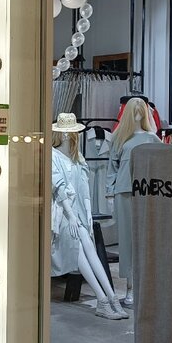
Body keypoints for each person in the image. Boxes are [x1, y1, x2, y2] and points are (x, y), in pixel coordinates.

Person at [52, 113, 127, 319]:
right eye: (72, 133)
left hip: (77, 213)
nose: (75, 136)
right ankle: (102, 299)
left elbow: (84, 190)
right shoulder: (53, 156)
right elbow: (59, 189)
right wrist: (71, 216)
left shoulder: (77, 158)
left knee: (89, 247)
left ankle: (110, 297)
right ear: (65, 135)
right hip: (62, 214)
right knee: (78, 248)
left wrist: (85, 216)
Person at [105, 97, 160, 307]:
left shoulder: (152, 138)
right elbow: (112, 168)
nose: (137, 115)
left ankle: (147, 287)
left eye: (140, 111)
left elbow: (162, 166)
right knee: (127, 240)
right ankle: (130, 287)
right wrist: (109, 194)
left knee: (146, 240)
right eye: (134, 111)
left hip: (147, 193)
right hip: (125, 192)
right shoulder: (119, 138)